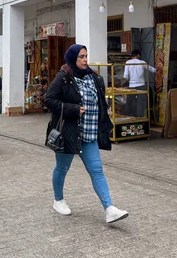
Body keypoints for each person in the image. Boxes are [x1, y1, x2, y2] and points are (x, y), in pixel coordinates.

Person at [45, 44, 128, 224]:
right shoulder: (64, 77)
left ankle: (109, 209)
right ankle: (58, 200)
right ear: (73, 58)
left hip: (89, 134)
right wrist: (72, 109)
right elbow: (49, 100)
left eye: (86, 56)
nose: (85, 60)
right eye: (81, 57)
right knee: (62, 168)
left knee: (97, 170)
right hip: (69, 133)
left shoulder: (94, 77)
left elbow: (100, 101)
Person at [123, 50, 156, 118]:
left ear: (132, 55)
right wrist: (158, 68)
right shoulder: (142, 62)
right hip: (141, 85)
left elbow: (125, 76)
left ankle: (129, 116)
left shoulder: (128, 62)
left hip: (132, 86)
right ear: (138, 55)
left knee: (130, 101)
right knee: (140, 102)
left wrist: (130, 80)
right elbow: (153, 70)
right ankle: (139, 117)